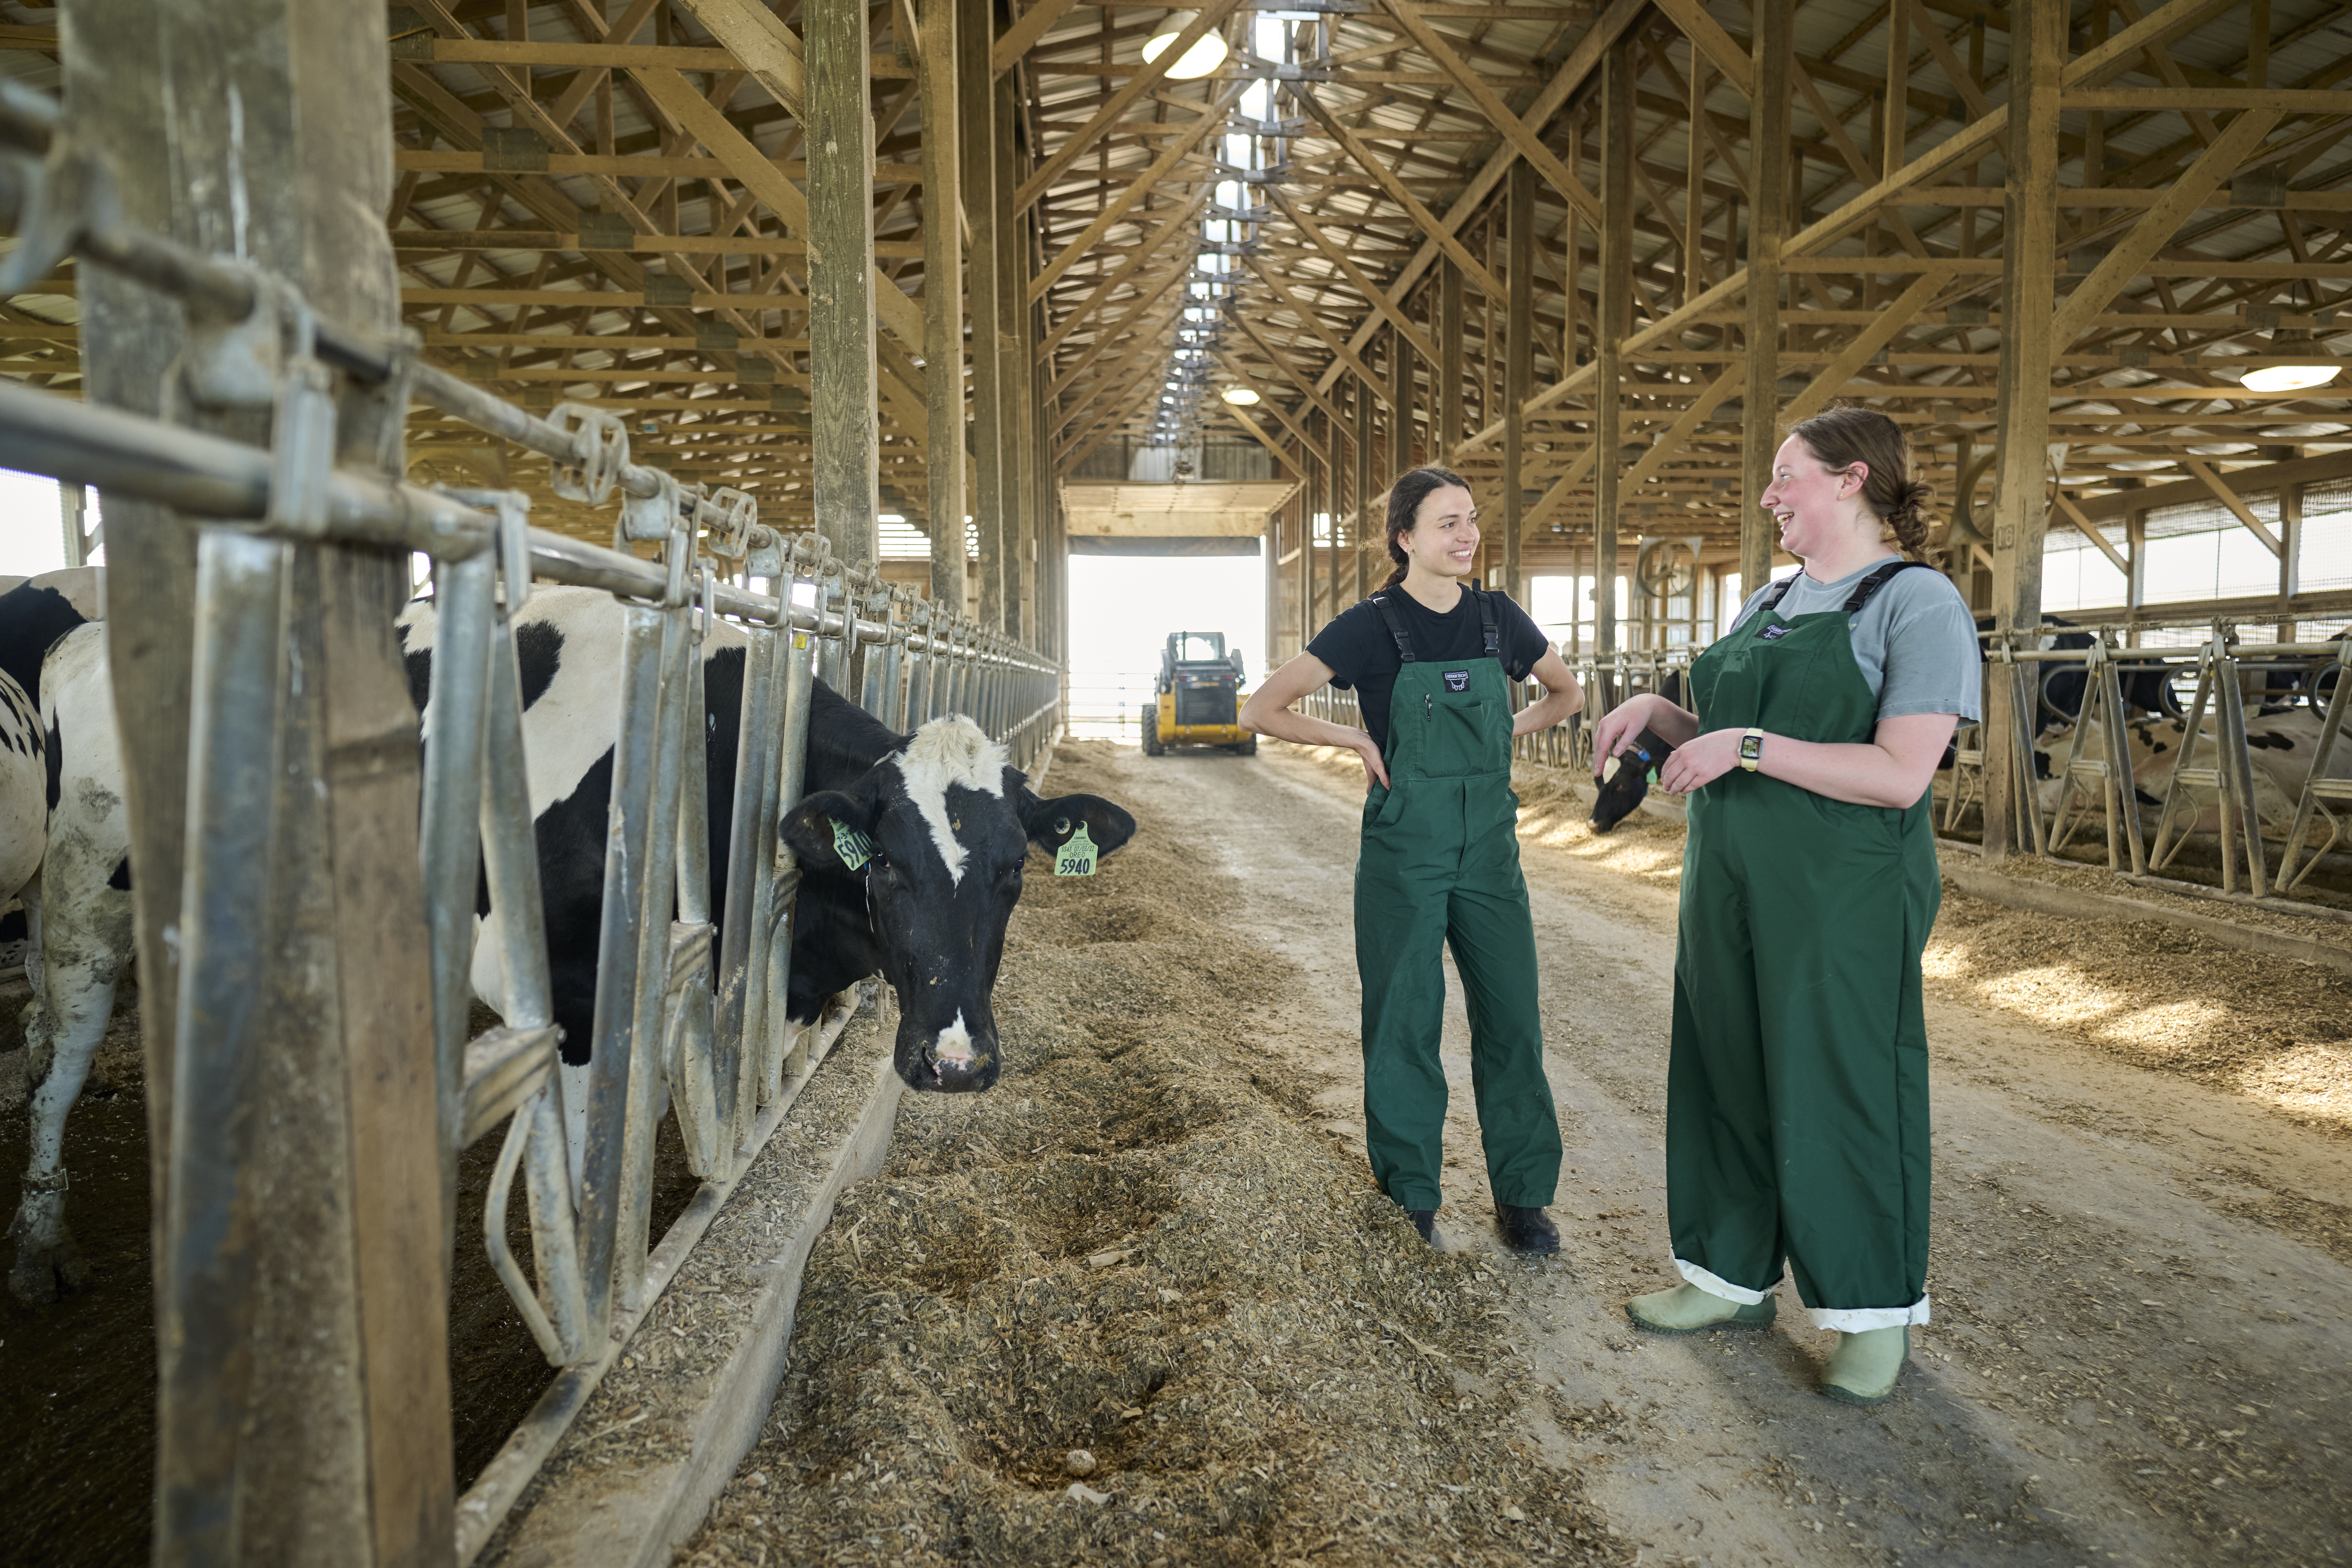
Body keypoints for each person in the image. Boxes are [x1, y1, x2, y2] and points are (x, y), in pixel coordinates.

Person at [1590, 406, 1980, 1405]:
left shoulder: (1917, 601)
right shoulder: (1765, 599)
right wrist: (1660, 714)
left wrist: (1746, 747)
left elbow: (1899, 774)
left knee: (1841, 1082)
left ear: (1851, 480)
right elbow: (1719, 730)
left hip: (1841, 890)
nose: (1769, 496)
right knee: (1724, 1066)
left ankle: (1870, 1310)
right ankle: (1725, 1277)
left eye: (1784, 475)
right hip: (1729, 877)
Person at [1241, 466, 1584, 1253]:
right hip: (1405, 848)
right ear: (1404, 539)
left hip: (1491, 850)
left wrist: (1504, 737)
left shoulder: (1500, 619)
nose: (1465, 536)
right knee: (1403, 1019)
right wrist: (1357, 739)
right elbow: (1262, 707)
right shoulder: (1369, 625)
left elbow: (1564, 694)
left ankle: (1524, 1197)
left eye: (1469, 520)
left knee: (1513, 1020)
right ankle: (1411, 1195)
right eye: (1445, 524)